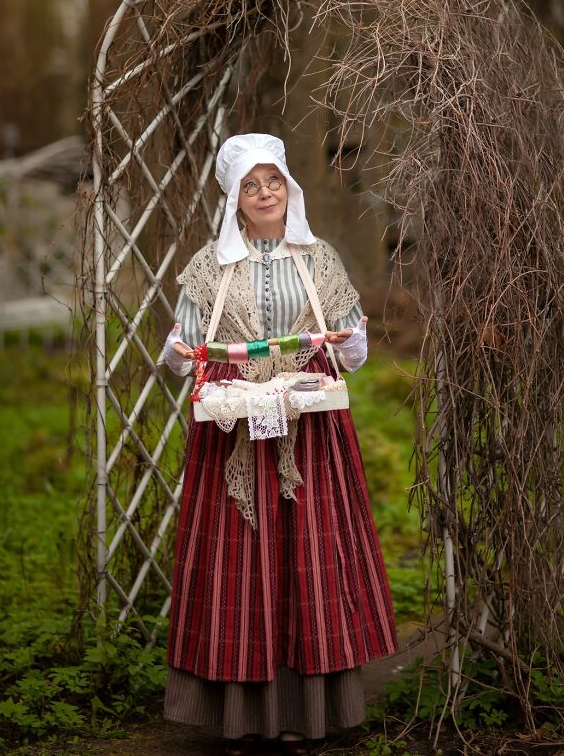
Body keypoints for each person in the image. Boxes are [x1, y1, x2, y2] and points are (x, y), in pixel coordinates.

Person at [162, 133, 397, 756]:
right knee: (237, 569)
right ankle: (239, 717)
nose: (263, 193)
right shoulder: (210, 265)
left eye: (272, 181)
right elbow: (182, 344)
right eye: (250, 185)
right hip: (232, 431)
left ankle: (306, 712)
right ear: (234, 198)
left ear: (287, 188)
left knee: (307, 565)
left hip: (310, 432)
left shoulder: (317, 257)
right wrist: (183, 354)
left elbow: (353, 347)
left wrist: (347, 342)